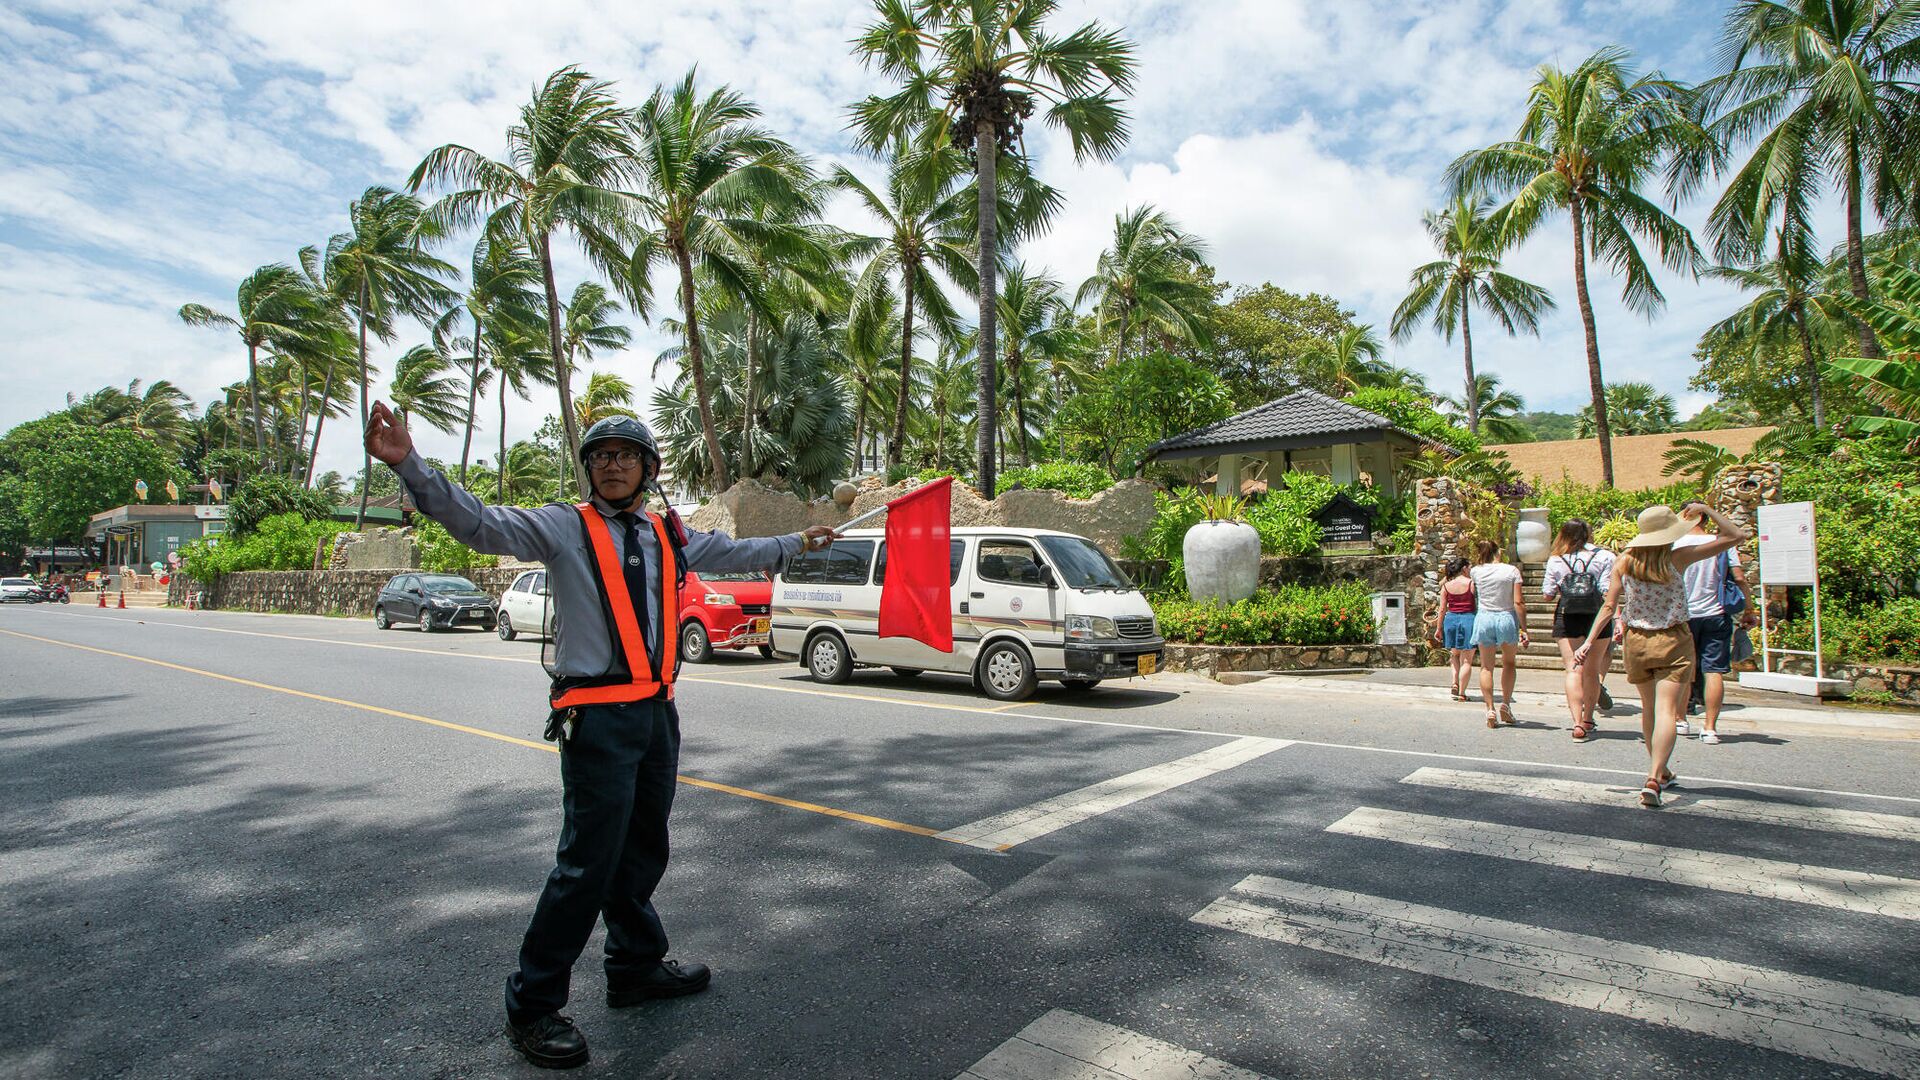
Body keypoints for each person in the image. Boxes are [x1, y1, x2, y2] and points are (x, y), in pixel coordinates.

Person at [365, 402, 835, 1069]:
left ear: (648, 468)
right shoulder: (562, 527)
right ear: (589, 469)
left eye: (625, 454)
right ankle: (531, 1005)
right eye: (601, 455)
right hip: (597, 719)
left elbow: (734, 552)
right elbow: (474, 521)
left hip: (655, 713)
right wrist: (407, 464)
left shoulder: (666, 532)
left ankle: (635, 968)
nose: (612, 464)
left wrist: (798, 542)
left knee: (643, 850)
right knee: (586, 863)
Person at [1574, 502, 1749, 808]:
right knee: (1667, 710)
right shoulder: (1677, 559)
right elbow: (1735, 536)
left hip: (1637, 641)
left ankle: (1662, 769)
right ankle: (1654, 777)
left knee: (1649, 709)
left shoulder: (1624, 562)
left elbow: (1608, 606)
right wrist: (1707, 508)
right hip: (1673, 639)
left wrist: (1589, 642)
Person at [1675, 514, 1749, 744]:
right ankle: (1709, 727)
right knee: (1713, 670)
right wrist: (1749, 609)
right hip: (1715, 613)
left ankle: (1680, 720)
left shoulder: (1675, 544)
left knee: (1683, 669)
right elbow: (1739, 578)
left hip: (1684, 615)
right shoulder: (1721, 543)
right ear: (1705, 519)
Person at [1542, 520, 1615, 741]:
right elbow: (1606, 590)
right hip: (1596, 617)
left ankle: (1576, 722)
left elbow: (1547, 594)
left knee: (1573, 669)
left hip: (1568, 616)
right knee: (1592, 671)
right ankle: (1588, 718)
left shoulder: (1556, 559)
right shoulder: (1605, 557)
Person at [1468, 539, 1528, 728]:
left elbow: (1473, 592)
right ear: (1498, 552)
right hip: (1506, 616)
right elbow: (1518, 602)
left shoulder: (1476, 571)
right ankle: (1506, 704)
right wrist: (1524, 628)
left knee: (1486, 666)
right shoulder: (1511, 571)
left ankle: (1490, 709)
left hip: (1484, 618)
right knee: (1509, 663)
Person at [1427, 557, 1479, 701]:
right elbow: (1478, 604)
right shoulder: (1471, 584)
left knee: (1454, 654)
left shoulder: (1446, 586)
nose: (1470, 570)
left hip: (1451, 620)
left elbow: (1442, 609)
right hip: (1469, 619)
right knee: (1467, 660)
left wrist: (1438, 628)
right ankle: (1462, 693)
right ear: (1464, 569)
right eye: (1469, 567)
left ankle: (1454, 682)